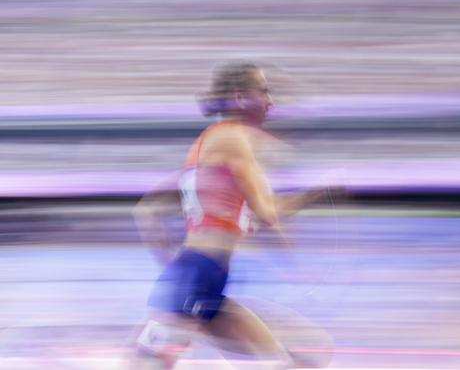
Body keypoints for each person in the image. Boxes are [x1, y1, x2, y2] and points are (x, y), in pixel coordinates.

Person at [124, 61, 333, 370]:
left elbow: (146, 210)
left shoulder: (208, 147)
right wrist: (318, 192)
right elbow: (268, 214)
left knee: (309, 356)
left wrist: (172, 268)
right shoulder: (232, 140)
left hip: (202, 281)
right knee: (145, 365)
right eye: (264, 92)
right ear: (239, 98)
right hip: (196, 281)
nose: (271, 102)